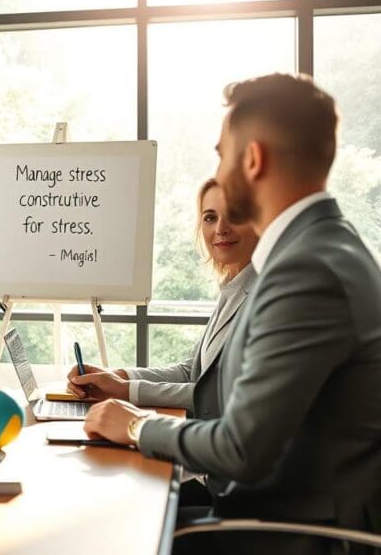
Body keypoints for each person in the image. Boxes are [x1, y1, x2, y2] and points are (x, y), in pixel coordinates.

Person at [83, 73, 381, 553]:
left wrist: (136, 425)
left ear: (253, 159)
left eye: (222, 155)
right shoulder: (315, 251)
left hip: (296, 534)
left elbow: (241, 449)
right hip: (276, 509)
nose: (219, 173)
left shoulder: (308, 270)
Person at [67, 178, 258, 412]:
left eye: (234, 215)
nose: (220, 229)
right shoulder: (233, 288)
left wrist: (126, 390)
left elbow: (224, 395)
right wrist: (116, 376)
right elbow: (191, 372)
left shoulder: (263, 293)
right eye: (210, 217)